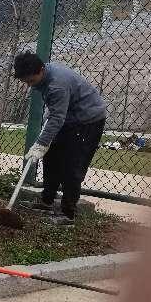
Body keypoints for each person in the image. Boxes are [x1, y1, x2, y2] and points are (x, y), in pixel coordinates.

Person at [13, 52, 107, 226]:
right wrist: (46, 140)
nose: (30, 85)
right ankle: (46, 201)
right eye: (26, 82)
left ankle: (68, 214)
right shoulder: (46, 75)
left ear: (41, 70)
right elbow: (56, 111)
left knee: (72, 166)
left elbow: (57, 117)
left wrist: (41, 143)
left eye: (31, 81)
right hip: (69, 118)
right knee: (52, 157)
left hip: (87, 120)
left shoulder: (57, 84)